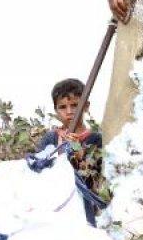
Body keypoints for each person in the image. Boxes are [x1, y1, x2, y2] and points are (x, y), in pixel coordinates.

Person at [36, 78, 103, 224]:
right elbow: (37, 169)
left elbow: (93, 178)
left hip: (82, 209)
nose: (69, 112)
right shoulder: (51, 138)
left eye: (75, 105)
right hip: (54, 207)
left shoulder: (95, 139)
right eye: (62, 107)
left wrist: (77, 150)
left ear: (86, 106)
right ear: (56, 110)